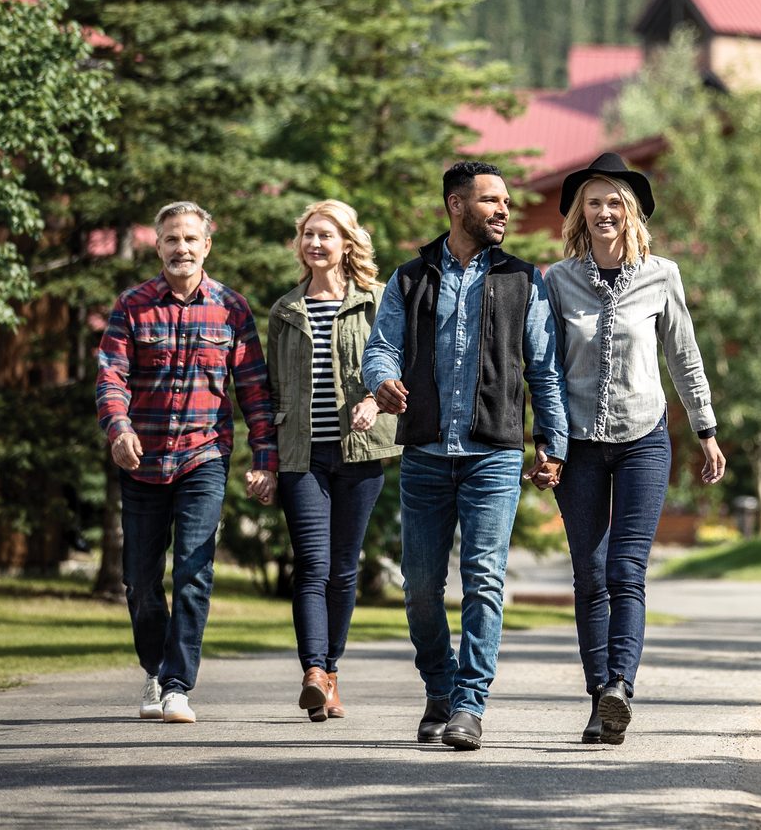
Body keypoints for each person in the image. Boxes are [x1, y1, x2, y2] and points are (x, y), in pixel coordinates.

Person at [362, 160, 568, 751]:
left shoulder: (526, 281)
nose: (504, 210)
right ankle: (439, 688)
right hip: (425, 454)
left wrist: (552, 445)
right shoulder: (409, 278)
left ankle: (469, 705)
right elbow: (381, 348)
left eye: (505, 201)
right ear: (457, 206)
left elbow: (545, 372)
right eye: (491, 201)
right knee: (421, 584)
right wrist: (381, 381)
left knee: (483, 578)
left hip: (493, 458)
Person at [544, 152, 726, 745]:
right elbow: (543, 369)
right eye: (592, 202)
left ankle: (621, 683)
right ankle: (601, 699)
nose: (603, 211)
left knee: (626, 569)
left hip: (644, 437)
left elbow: (684, 354)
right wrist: (546, 442)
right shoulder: (556, 281)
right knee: (589, 573)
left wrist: (705, 427)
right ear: (580, 213)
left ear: (632, 213)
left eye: (613, 202)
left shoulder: (662, 274)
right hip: (578, 445)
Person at [95, 200, 277, 726]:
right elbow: (110, 376)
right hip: (143, 460)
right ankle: (155, 668)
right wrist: (119, 427)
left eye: (191, 239)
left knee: (194, 573)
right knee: (140, 580)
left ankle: (177, 685)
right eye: (172, 239)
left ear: (206, 246)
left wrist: (264, 459)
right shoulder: (132, 306)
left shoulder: (231, 308)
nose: (182, 248)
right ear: (159, 245)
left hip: (204, 457)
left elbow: (255, 394)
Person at [267, 200, 400, 723]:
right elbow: (273, 385)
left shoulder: (378, 301)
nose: (315, 244)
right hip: (302, 454)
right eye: (308, 235)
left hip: (361, 453)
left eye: (326, 235)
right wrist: (265, 453)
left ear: (348, 243)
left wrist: (374, 399)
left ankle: (332, 674)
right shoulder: (285, 310)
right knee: (313, 566)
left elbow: (398, 364)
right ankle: (313, 672)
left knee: (345, 571)